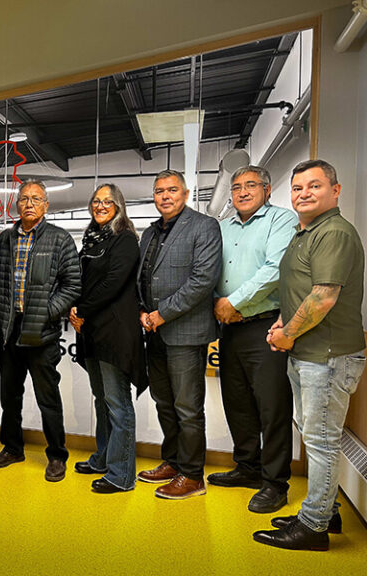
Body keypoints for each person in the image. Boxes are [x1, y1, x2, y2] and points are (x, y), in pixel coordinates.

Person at [255, 160, 365, 551]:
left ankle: (314, 526)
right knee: (314, 435)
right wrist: (283, 326)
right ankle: (324, 510)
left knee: (320, 441)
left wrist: (287, 333)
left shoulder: (333, 232)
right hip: (309, 351)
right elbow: (300, 290)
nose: (303, 193)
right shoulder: (305, 234)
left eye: (314, 186)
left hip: (329, 355)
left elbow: (323, 297)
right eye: (298, 187)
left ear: (335, 191)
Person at [208, 166, 297, 513]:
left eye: (250, 185)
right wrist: (218, 304)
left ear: (267, 189)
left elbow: (275, 268)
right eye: (236, 187)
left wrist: (233, 302)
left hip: (264, 327)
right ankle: (247, 468)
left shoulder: (281, 221)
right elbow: (211, 269)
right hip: (228, 328)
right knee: (238, 402)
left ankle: (275, 483)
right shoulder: (221, 227)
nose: (243, 192)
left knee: (272, 407)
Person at [136, 169, 222, 499]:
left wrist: (161, 313)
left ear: (185, 194)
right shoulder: (149, 233)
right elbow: (142, 277)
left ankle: (192, 475)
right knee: (164, 403)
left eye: (172, 190)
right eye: (159, 191)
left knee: (188, 407)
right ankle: (171, 462)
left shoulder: (204, 226)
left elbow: (202, 280)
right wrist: (142, 311)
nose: (165, 196)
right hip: (154, 331)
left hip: (185, 332)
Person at [0, 179, 81, 482]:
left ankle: (57, 455)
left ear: (46, 205)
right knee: (9, 397)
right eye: (24, 198)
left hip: (42, 335)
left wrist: (48, 312)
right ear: (17, 204)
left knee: (48, 399)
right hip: (10, 332)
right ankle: (12, 448)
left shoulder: (60, 239)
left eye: (36, 199)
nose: (29, 203)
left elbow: (72, 285)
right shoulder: (5, 239)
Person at [69, 184, 147, 493]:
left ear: (119, 205)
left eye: (108, 201)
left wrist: (81, 309)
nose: (101, 205)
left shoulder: (125, 238)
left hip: (114, 330)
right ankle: (103, 458)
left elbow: (113, 283)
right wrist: (74, 311)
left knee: (117, 403)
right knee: (101, 400)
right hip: (91, 329)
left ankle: (121, 475)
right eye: (97, 201)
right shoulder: (92, 238)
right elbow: (81, 279)